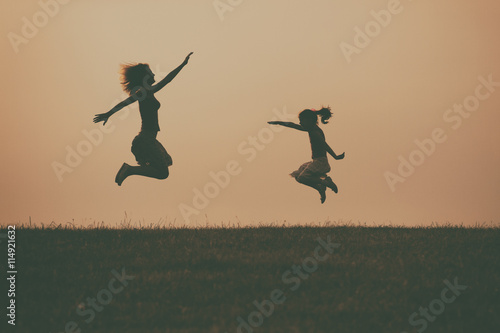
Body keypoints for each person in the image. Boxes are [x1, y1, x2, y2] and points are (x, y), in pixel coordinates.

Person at [93, 52, 193, 186]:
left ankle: (130, 170)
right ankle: (129, 170)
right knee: (163, 173)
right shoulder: (143, 92)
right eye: (151, 73)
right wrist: (109, 113)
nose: (154, 75)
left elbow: (167, 80)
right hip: (145, 139)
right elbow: (126, 102)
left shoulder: (149, 91)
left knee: (165, 166)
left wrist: (183, 64)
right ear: (144, 77)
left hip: (149, 139)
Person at [268, 107, 345, 203]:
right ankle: (320, 188)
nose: (300, 123)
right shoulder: (311, 129)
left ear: (310, 120)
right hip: (316, 162)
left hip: (321, 163)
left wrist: (335, 156)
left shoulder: (315, 132)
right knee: (297, 175)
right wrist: (279, 123)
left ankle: (325, 182)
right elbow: (293, 125)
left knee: (303, 177)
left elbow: (324, 145)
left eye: (302, 121)